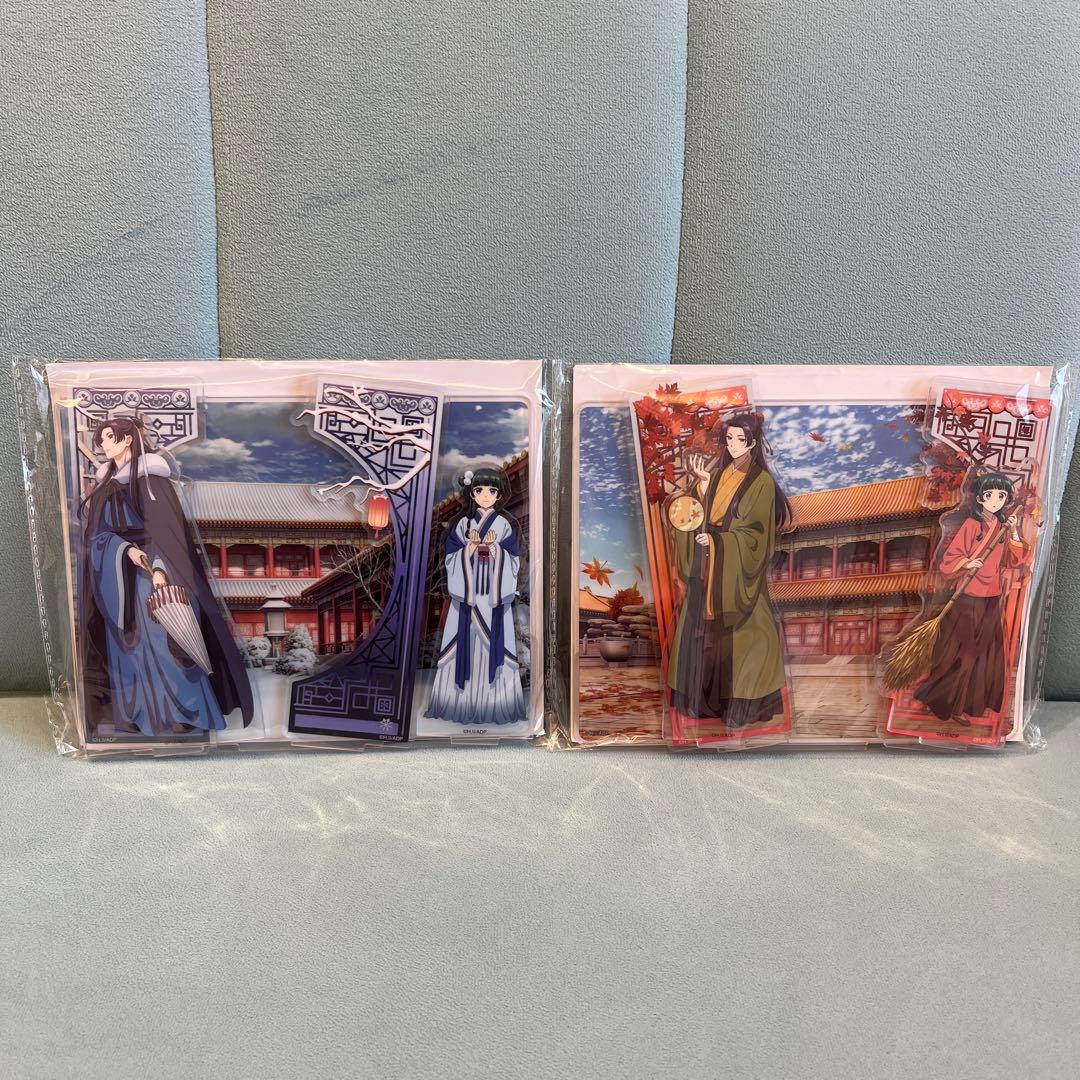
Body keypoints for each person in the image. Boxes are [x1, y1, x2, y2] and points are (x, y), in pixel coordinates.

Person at [78, 416, 253, 737]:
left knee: (165, 641)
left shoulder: (153, 481)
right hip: (116, 576)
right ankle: (134, 714)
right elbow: (96, 537)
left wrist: (160, 568)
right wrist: (123, 550)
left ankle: (187, 713)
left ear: (128, 439)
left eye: (108, 437)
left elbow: (169, 534)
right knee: (125, 646)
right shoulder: (104, 487)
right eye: (100, 440)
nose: (102, 445)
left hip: (155, 573)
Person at [667, 412, 791, 729]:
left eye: (740, 440)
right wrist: (703, 487)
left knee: (748, 635)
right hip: (709, 568)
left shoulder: (761, 482)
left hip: (735, 572)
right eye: (729, 438)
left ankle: (743, 705)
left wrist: (719, 542)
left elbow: (755, 536)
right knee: (700, 632)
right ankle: (702, 703)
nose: (733, 445)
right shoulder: (718, 474)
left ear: (752, 443)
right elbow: (702, 513)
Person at [913, 471, 1027, 724]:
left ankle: (969, 704)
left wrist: (1014, 532)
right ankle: (943, 702)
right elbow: (949, 560)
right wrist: (967, 562)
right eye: (990, 495)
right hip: (967, 595)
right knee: (962, 652)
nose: (995, 500)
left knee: (985, 653)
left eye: (1001, 496)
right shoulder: (971, 525)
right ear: (979, 498)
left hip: (991, 596)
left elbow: (1016, 559)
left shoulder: (1003, 528)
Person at [426, 467, 526, 726]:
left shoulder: (503, 524)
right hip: (468, 597)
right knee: (463, 644)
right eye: (479, 490)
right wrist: (469, 547)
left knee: (494, 645)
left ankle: (495, 705)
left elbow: (513, 561)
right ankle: (459, 704)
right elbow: (451, 558)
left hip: (493, 597)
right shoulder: (463, 524)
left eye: (492, 491)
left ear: (499, 495)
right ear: (471, 493)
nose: (485, 495)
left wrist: (495, 549)